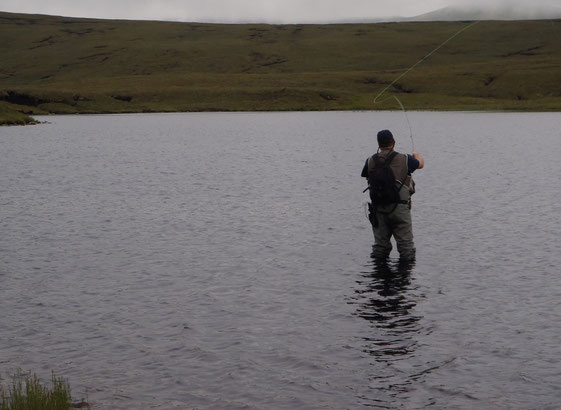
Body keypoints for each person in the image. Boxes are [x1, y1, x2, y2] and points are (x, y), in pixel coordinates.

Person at [361, 129, 424, 260]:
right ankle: (405, 278)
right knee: (406, 248)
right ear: (393, 142)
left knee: (380, 248)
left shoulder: (370, 161)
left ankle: (379, 276)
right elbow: (421, 164)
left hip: (378, 209)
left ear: (378, 144)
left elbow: (366, 175)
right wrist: (416, 155)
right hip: (400, 209)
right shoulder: (405, 159)